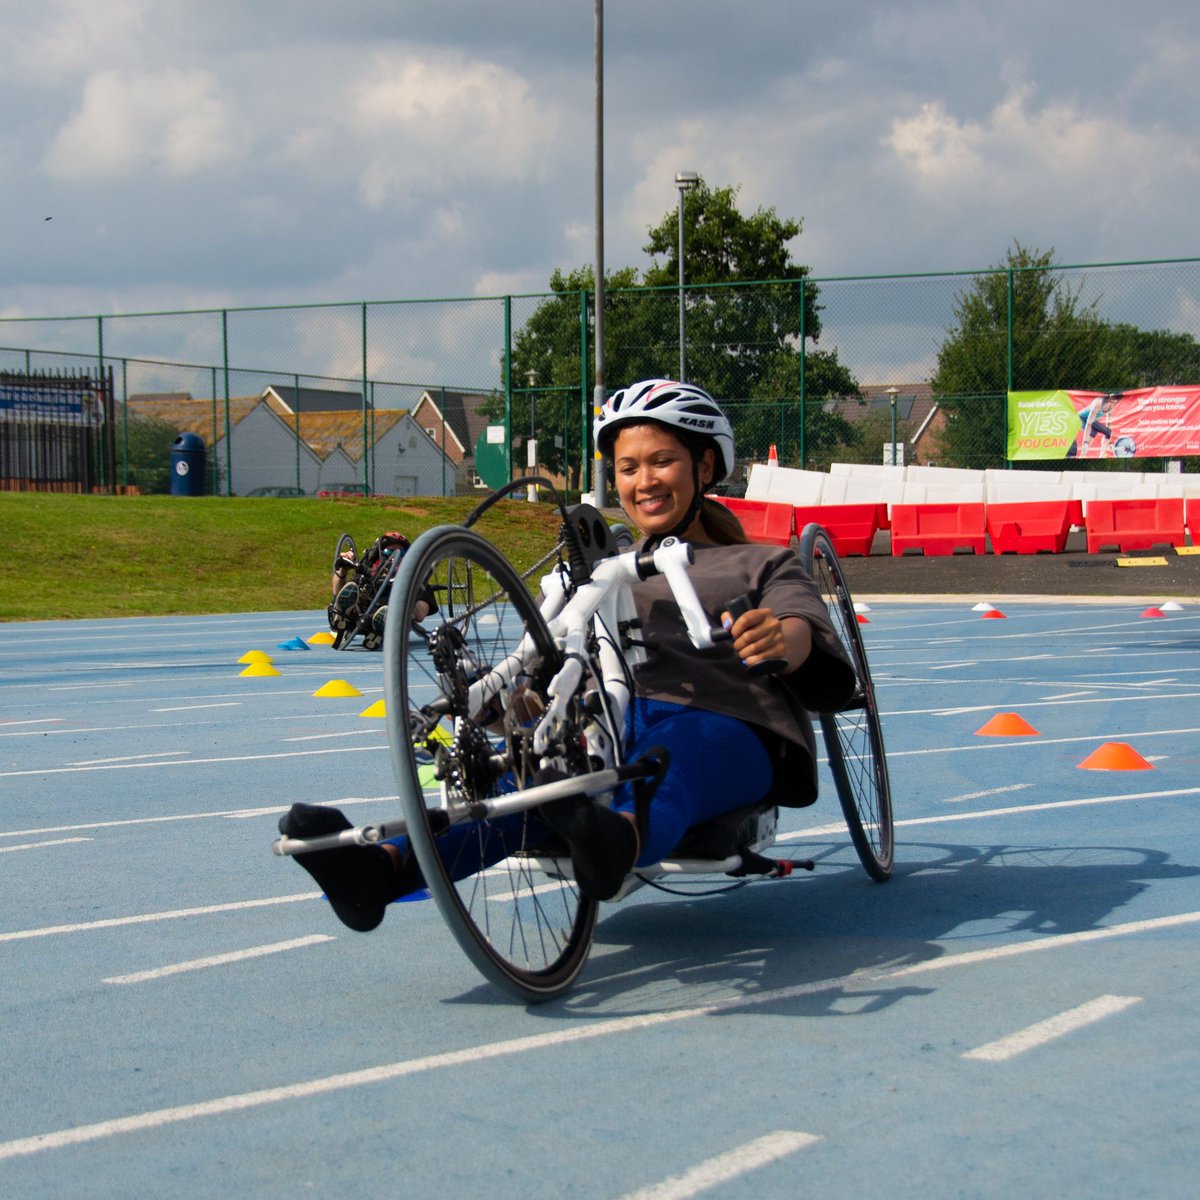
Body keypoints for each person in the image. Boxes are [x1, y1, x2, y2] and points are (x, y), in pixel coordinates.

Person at [281, 379, 856, 929]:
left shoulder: (761, 562)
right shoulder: (599, 573)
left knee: (670, 756)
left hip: (727, 722)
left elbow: (802, 631)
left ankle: (613, 838)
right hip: (607, 721)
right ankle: (378, 872)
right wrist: (510, 703)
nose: (644, 481)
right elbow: (548, 664)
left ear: (705, 466)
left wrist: (779, 640)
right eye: (628, 468)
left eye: (662, 461)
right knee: (523, 784)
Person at [328, 531, 432, 649]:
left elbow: (420, 614)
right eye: (389, 552)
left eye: (401, 553)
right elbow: (338, 592)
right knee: (351, 590)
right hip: (356, 617)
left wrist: (405, 588)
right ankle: (344, 615)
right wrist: (342, 572)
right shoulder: (366, 577)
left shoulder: (416, 582)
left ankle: (380, 625)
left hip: (393, 621)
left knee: (396, 611)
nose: (394, 558)